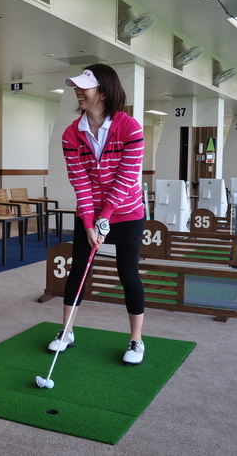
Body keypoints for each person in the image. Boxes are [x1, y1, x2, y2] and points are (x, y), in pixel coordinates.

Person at [48, 64, 146, 366]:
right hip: (89, 214)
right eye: (77, 87)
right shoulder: (71, 134)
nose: (78, 92)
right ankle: (66, 331)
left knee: (127, 273)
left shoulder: (130, 128)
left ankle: (136, 340)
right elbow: (80, 182)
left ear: (103, 92)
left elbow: (127, 178)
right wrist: (90, 223)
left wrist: (106, 215)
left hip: (127, 212)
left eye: (84, 87)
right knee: (78, 270)